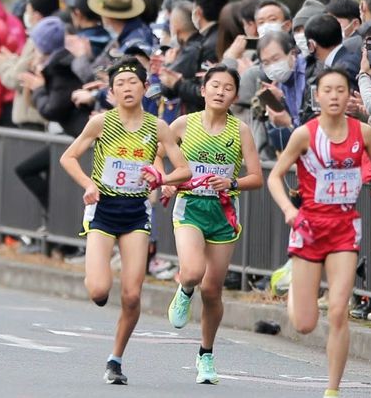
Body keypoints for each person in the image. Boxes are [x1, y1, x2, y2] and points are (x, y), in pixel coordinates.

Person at [60, 56, 191, 385]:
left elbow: (184, 169)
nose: (127, 88)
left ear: (146, 88)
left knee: (132, 296)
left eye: (133, 82)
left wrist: (161, 180)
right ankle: (98, 283)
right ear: (111, 93)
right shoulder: (101, 123)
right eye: (120, 84)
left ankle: (115, 359)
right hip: (103, 210)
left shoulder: (157, 127)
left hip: (135, 212)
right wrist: (88, 184)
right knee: (99, 290)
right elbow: (69, 157)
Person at [267, 69, 371, 398]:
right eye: (328, 90)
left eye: (341, 90)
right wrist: (289, 210)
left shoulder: (364, 133)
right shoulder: (304, 135)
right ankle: (292, 283)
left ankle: (332, 390)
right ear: (317, 96)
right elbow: (274, 177)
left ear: (350, 96)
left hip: (344, 228)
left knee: (338, 310)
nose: (334, 96)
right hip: (309, 227)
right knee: (305, 324)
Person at [163, 64, 263, 384]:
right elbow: (156, 149)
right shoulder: (183, 124)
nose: (221, 92)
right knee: (193, 272)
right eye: (215, 86)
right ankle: (184, 288)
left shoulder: (240, 130)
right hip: (190, 207)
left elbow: (257, 177)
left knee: (213, 290)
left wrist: (231, 183)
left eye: (228, 88)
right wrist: (165, 180)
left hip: (223, 214)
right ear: (203, 90)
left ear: (235, 95)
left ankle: (205, 354)